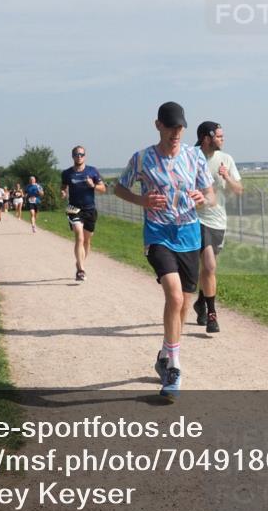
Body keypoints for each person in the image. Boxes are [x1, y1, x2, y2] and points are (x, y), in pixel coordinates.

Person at [114, 102, 214, 400]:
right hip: (157, 234)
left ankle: (164, 353)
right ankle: (174, 366)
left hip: (189, 235)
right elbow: (119, 188)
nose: (175, 133)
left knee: (184, 303)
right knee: (173, 295)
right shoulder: (142, 158)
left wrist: (202, 197)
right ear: (158, 125)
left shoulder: (193, 156)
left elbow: (210, 195)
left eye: (180, 128)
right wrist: (141, 202)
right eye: (170, 127)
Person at [192, 121, 243, 334]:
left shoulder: (226, 159)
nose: (222, 139)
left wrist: (227, 176)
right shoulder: (190, 157)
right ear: (206, 138)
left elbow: (238, 190)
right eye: (219, 136)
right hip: (195, 219)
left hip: (218, 221)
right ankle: (212, 315)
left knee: (208, 269)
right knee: (210, 266)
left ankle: (201, 302)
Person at [60, 146, 106, 281]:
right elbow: (63, 186)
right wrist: (63, 192)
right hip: (74, 209)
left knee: (87, 240)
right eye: (76, 154)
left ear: (85, 156)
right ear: (72, 156)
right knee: (79, 236)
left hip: (90, 209)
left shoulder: (92, 171)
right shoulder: (67, 173)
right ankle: (81, 270)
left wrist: (93, 185)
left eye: (81, 154)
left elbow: (103, 189)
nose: (79, 156)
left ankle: (80, 262)